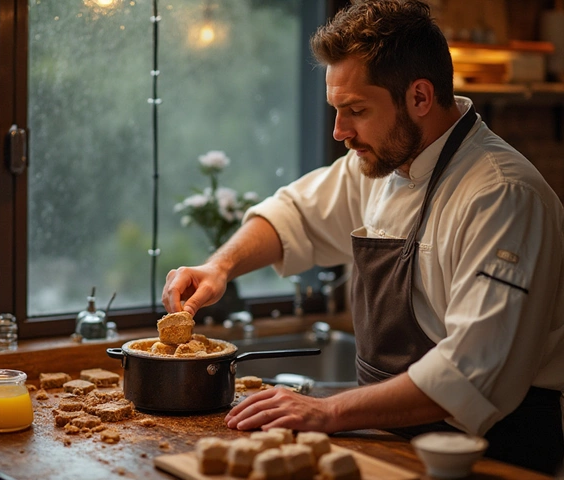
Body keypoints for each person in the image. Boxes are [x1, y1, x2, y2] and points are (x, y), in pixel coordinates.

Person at [162, 0, 564, 474]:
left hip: (489, 455)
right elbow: (296, 214)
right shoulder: (381, 163)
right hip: (390, 440)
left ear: (419, 97)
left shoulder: (502, 196)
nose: (339, 132)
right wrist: (220, 266)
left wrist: (330, 411)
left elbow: (472, 371)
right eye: (335, 109)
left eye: (355, 110)